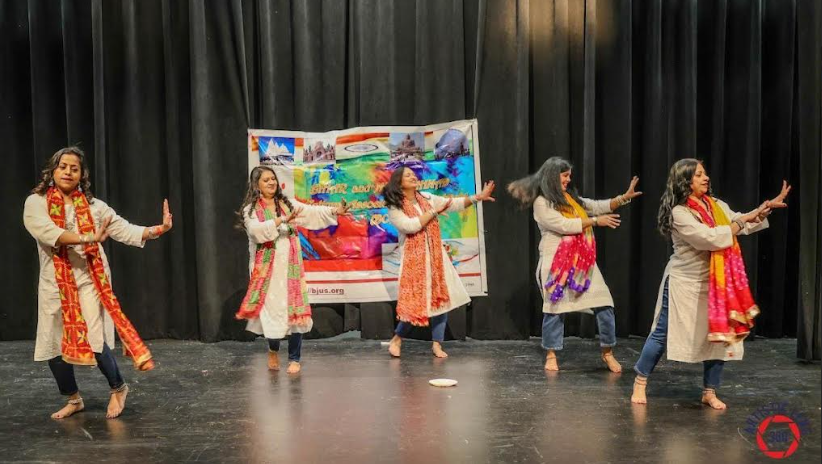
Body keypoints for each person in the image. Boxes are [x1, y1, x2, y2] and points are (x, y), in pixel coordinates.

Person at [23, 147, 172, 419]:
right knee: (54, 345)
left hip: (90, 280)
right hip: (55, 284)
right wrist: (88, 238)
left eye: (74, 168)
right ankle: (74, 399)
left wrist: (158, 229)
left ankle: (118, 388)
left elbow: (125, 230)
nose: (68, 172)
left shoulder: (95, 207)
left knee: (94, 338)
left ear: (82, 175)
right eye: (63, 167)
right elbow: (49, 233)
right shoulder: (36, 203)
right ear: (53, 171)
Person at [631, 158, 791, 409]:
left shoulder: (715, 205)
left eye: (704, 173)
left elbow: (738, 221)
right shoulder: (680, 212)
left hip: (717, 283)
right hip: (684, 283)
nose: (705, 178)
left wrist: (763, 208)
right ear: (685, 181)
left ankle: (709, 390)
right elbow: (709, 238)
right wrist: (742, 221)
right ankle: (640, 381)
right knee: (662, 333)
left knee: (720, 336)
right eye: (698, 175)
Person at [508, 156, 641, 372]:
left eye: (569, 176)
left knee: (605, 304)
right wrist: (595, 221)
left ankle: (608, 353)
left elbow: (596, 206)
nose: (568, 180)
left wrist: (623, 198)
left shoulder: (571, 199)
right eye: (565, 175)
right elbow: (563, 225)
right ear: (553, 176)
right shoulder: (542, 203)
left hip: (582, 263)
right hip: (556, 262)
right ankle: (551, 354)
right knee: (554, 309)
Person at [235, 166, 349, 374]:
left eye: (273, 178)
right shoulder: (251, 210)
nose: (271, 182)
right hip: (267, 271)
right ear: (256, 185)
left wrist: (334, 211)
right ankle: (273, 349)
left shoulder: (287, 204)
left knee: (296, 312)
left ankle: (295, 358)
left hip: (291, 268)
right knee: (273, 312)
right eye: (266, 180)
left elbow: (310, 212)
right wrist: (281, 220)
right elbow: (256, 231)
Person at [383, 166, 495, 358]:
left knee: (441, 300)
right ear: (398, 182)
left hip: (436, 257)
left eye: (413, 173)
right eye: (407, 175)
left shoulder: (426, 198)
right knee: (415, 302)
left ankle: (437, 344)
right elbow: (411, 226)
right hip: (414, 260)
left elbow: (452, 204)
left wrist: (478, 197)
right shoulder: (395, 207)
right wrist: (433, 212)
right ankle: (397, 339)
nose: (413, 176)